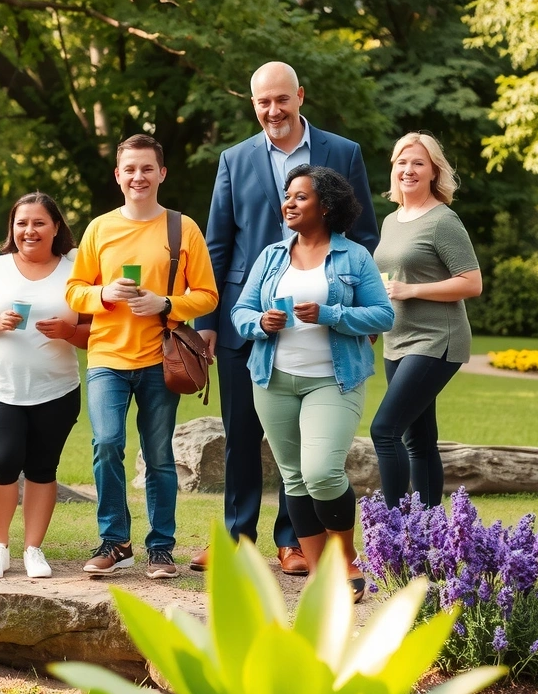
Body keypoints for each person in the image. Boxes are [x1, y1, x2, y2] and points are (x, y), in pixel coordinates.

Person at [192, 61, 380, 575]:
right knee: (241, 433)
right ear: (252, 104)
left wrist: (343, 292)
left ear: (299, 96)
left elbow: (364, 234)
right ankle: (236, 539)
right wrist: (209, 321)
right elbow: (218, 242)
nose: (272, 110)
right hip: (246, 315)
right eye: (262, 102)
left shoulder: (342, 153)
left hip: (321, 320)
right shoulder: (234, 159)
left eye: (281, 99)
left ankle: (294, 543)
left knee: (303, 454)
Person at [231, 165, 393, 601]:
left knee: (321, 471)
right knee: (294, 478)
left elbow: (384, 315)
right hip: (272, 379)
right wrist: (260, 322)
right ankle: (322, 575)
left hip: (333, 380)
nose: (289, 202)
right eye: (287, 195)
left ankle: (345, 558)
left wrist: (331, 315)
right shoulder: (271, 256)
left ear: (326, 206)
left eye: (300, 196)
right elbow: (240, 312)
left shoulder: (354, 257)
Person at [66, 134, 218, 579]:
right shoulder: (99, 228)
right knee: (107, 443)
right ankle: (115, 543)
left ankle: (160, 548)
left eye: (147, 168)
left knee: (159, 456)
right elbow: (74, 290)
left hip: (160, 359)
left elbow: (207, 295)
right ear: (118, 176)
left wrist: (166, 304)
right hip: (108, 358)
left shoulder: (182, 227)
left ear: (161, 173)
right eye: (130, 169)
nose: (138, 176)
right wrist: (103, 293)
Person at [0, 192, 91, 579]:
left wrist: (69, 331)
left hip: (57, 388)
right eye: (21, 223)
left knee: (42, 469)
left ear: (56, 228)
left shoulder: (75, 269)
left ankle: (34, 549)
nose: (29, 230)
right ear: (12, 228)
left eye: (38, 223)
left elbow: (93, 332)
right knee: (1, 463)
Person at [371, 133, 482, 509]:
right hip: (397, 339)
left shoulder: (443, 220)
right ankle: (430, 533)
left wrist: (412, 291)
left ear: (434, 170)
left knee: (384, 430)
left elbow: (472, 282)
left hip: (437, 339)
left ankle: (395, 531)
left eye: (418, 163)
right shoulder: (392, 220)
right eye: (402, 162)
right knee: (417, 440)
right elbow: (386, 281)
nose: (408, 170)